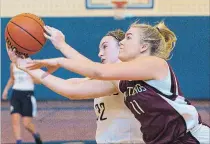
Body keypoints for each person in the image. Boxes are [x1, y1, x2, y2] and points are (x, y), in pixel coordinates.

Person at [20, 21, 210, 144]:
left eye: (128, 37)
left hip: (192, 138)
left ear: (143, 46)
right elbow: (84, 78)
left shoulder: (156, 64)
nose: (122, 42)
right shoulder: (123, 80)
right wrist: (26, 64)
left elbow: (97, 70)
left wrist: (59, 60)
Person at [7, 29, 144, 143]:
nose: (100, 53)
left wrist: (24, 64)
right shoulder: (110, 77)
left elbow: (71, 90)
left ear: (121, 47)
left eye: (105, 46)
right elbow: (83, 75)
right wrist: (61, 45)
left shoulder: (124, 77)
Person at [2, 62, 42, 144]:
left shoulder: (31, 63)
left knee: (26, 124)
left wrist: (32, 78)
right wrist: (6, 89)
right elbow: (12, 78)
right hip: (16, 94)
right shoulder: (13, 64)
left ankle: (36, 135)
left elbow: (39, 80)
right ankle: (19, 141)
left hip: (27, 94)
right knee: (15, 120)